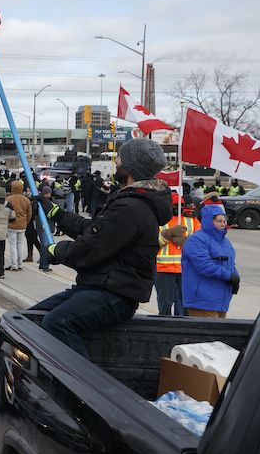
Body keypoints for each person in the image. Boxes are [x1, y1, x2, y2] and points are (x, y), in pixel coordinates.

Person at [31, 138, 172, 357]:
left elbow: (91, 248)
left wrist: (54, 251)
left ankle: (82, 387)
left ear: (132, 166)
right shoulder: (129, 200)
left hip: (114, 293)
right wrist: (57, 214)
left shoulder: (132, 207)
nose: (116, 161)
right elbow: (96, 230)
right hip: (98, 287)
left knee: (57, 323)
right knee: (30, 317)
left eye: (120, 158)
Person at [181, 204, 239, 318]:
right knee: (208, 335)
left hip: (220, 300)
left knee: (219, 334)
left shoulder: (225, 241)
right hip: (202, 300)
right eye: (219, 221)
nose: (223, 224)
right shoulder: (196, 240)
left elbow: (230, 262)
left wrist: (235, 276)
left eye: (224, 221)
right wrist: (228, 276)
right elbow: (204, 266)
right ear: (209, 220)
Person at [155, 194, 201, 316]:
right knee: (165, 305)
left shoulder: (192, 221)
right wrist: (167, 234)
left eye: (180, 205)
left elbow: (201, 244)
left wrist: (187, 242)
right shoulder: (158, 220)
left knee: (184, 306)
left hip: (185, 269)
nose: (177, 208)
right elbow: (151, 245)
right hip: (163, 269)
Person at [5, 180, 32, 271]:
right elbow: (29, 214)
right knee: (20, 244)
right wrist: (26, 222)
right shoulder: (26, 199)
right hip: (22, 225)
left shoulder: (9, 199)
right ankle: (20, 264)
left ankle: (14, 265)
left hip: (11, 225)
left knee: (12, 245)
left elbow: (6, 212)